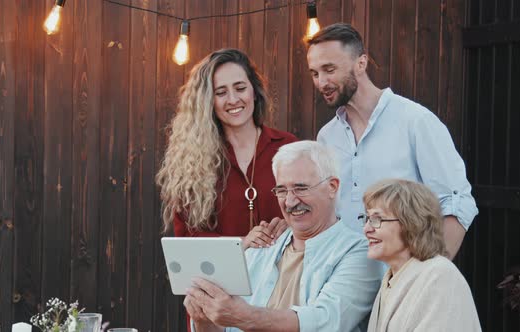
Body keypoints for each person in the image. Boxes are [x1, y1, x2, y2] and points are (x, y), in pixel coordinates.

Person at [306, 23, 478, 258]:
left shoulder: (416, 121)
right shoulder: (326, 136)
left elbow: (457, 203)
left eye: (329, 69)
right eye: (315, 73)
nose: (321, 82)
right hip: (344, 278)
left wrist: (429, 273)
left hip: (401, 276)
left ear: (361, 63)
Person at [183, 141, 382, 332]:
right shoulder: (262, 245)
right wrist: (203, 318)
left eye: (301, 188)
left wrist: (243, 316)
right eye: (281, 190)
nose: (290, 201)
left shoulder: (359, 252)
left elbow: (325, 321)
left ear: (332, 187)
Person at [156, 48, 297, 249]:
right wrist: (241, 243)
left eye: (240, 88)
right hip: (222, 278)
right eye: (220, 93)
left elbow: (313, 210)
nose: (232, 100)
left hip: (283, 275)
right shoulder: (193, 160)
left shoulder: (288, 147)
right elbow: (188, 237)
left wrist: (292, 224)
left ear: (254, 92)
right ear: (208, 102)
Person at [362, 179, 481, 331]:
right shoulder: (392, 278)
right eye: (367, 218)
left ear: (411, 223)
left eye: (377, 219)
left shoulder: (440, 276)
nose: (366, 229)